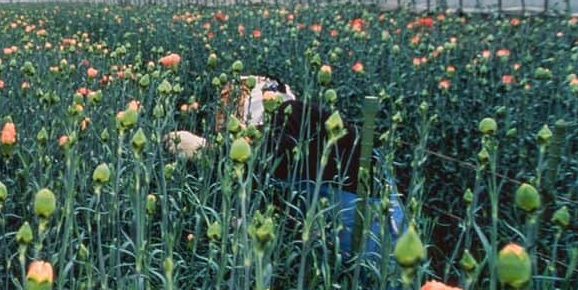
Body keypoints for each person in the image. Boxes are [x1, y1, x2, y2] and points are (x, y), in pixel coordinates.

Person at [167, 74, 404, 259]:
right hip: (361, 229)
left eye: (228, 110)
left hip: (368, 234)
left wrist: (205, 149)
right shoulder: (301, 119)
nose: (225, 121)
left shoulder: (291, 116)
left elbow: (265, 157)